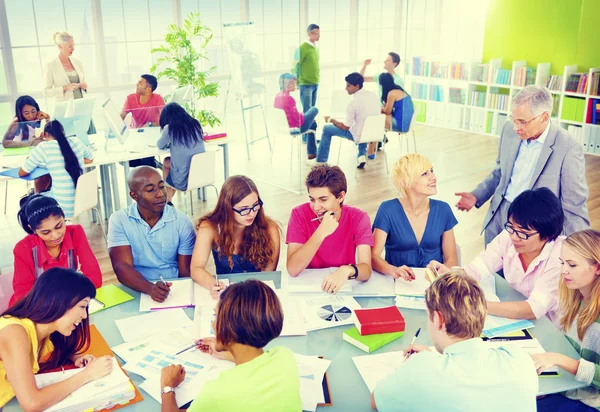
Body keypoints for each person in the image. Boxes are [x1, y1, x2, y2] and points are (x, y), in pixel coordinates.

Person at [372, 269, 539, 412]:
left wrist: (415, 367)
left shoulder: (420, 369)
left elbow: (376, 401)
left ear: (438, 319)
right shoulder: (521, 361)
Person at [455, 85, 589, 246]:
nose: (516, 127)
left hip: (532, 227)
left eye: (523, 122)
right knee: (491, 269)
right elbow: (501, 171)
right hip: (500, 214)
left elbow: (574, 206)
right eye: (514, 119)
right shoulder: (509, 131)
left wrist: (579, 248)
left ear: (544, 117)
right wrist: (477, 195)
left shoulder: (568, 148)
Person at [159, 280, 302, 412]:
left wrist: (167, 387)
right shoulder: (285, 356)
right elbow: (254, 362)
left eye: (215, 317)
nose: (212, 324)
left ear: (229, 328)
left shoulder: (218, 392)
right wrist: (227, 352)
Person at [429, 188, 565, 322]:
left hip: (552, 328)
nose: (514, 237)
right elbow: (480, 266)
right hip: (519, 318)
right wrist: (450, 274)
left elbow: (534, 308)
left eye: (523, 233)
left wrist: (478, 305)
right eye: (511, 227)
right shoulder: (508, 237)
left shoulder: (560, 257)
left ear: (548, 235)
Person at [0, 268, 113, 409]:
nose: (84, 316)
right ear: (58, 301)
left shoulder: (45, 331)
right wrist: (87, 375)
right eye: (82, 306)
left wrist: (75, 357)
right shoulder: (14, 333)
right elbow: (32, 404)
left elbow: (56, 346)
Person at [107, 166, 196, 302]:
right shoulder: (119, 220)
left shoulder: (182, 222)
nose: (160, 194)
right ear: (134, 195)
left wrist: (182, 296)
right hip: (135, 287)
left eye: (162, 186)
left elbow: (185, 272)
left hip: (173, 289)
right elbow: (121, 267)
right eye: (150, 190)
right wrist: (150, 288)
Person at [534, 229, 600, 411]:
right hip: (568, 389)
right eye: (562, 263)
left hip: (590, 402)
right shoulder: (575, 300)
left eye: (572, 265)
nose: (563, 271)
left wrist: (559, 360)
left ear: (597, 267)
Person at [286, 165, 374, 293]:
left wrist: (347, 270)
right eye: (312, 199)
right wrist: (321, 232)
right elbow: (293, 270)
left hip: (341, 286)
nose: (316, 207)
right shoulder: (298, 214)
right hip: (308, 286)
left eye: (323, 200)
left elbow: (366, 270)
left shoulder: (359, 218)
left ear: (341, 196)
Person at [191, 176, 280, 299]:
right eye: (243, 209)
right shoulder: (209, 227)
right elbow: (196, 268)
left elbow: (268, 276)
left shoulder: (270, 229)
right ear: (227, 207)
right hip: (226, 294)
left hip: (256, 295)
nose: (252, 213)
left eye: (255, 206)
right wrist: (213, 285)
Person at [372, 154, 458, 280]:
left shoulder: (443, 210)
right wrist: (394, 271)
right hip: (397, 283)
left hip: (434, 285)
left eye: (432, 171)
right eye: (424, 174)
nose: (433, 177)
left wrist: (439, 276)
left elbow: (451, 259)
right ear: (407, 181)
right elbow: (373, 257)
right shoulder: (387, 210)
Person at [10, 195, 102, 307]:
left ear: (63, 215)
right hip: (35, 308)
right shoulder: (23, 249)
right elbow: (23, 295)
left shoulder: (75, 233)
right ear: (32, 229)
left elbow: (94, 277)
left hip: (67, 302)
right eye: (45, 232)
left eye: (59, 226)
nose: (55, 235)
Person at [18, 120, 93, 218]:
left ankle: (39, 232)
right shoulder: (76, 141)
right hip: (82, 202)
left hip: (59, 205)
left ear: (45, 134)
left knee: (25, 202)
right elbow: (90, 158)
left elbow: (21, 173)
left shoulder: (44, 147)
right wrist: (72, 159)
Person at [316, 72, 380, 168]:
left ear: (357, 86)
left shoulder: (353, 103)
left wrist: (331, 120)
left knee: (326, 129)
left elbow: (346, 127)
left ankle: (320, 161)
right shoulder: (373, 95)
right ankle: (361, 155)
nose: (346, 88)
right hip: (374, 133)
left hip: (359, 135)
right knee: (360, 126)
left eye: (348, 86)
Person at [156, 102, 205, 201]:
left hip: (182, 182)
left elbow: (160, 145)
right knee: (169, 162)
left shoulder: (169, 129)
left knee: (166, 163)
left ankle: (167, 200)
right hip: (201, 176)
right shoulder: (195, 123)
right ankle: (168, 199)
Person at [274, 73, 319, 159]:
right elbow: (298, 119)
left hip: (283, 126)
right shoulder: (289, 99)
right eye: (291, 82)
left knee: (312, 124)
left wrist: (303, 115)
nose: (294, 83)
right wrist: (305, 116)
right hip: (296, 127)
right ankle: (311, 152)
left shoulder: (277, 96)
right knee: (314, 109)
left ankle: (312, 153)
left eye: (294, 81)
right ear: (285, 84)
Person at [292, 24, 320, 143]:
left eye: (319, 33)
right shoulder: (301, 48)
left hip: (315, 82)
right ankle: (305, 137)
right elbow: (295, 65)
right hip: (305, 84)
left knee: (312, 111)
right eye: (316, 34)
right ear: (309, 34)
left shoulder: (314, 48)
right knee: (307, 111)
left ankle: (311, 137)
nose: (318, 36)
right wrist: (296, 81)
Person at [43, 32, 89, 104]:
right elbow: (46, 92)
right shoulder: (50, 66)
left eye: (73, 46)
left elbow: (83, 86)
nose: (73, 49)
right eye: (70, 46)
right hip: (65, 108)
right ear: (60, 47)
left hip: (81, 105)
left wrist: (84, 87)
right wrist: (65, 88)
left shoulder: (78, 63)